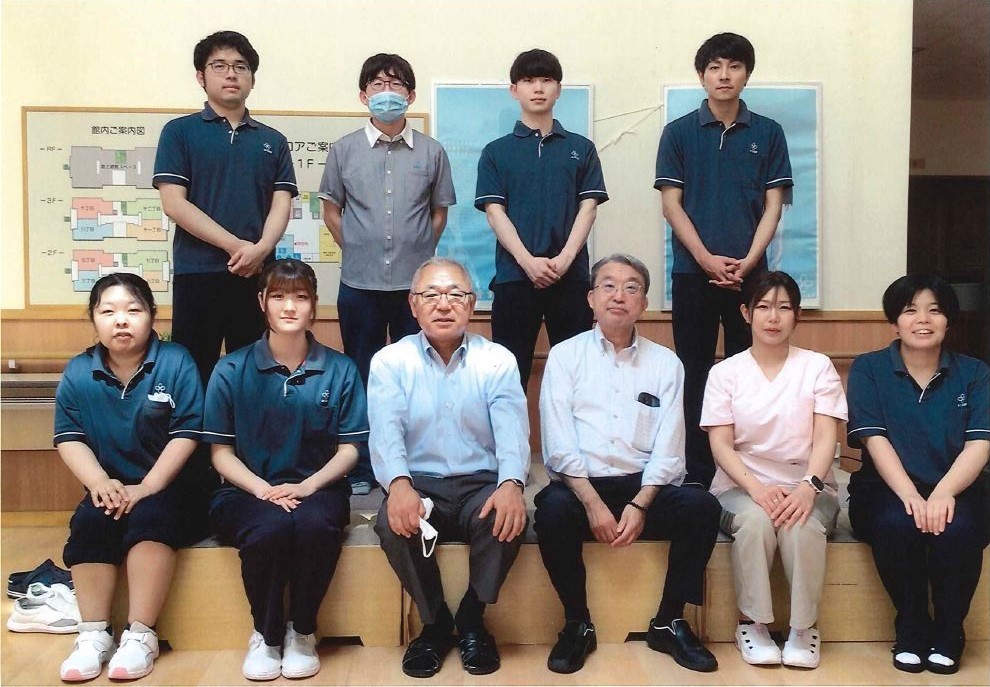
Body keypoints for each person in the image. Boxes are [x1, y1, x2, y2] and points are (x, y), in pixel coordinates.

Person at [535, 254, 721, 674]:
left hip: (643, 487)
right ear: (591, 298)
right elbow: (558, 444)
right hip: (581, 485)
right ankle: (577, 622)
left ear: (644, 302)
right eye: (609, 286)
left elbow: (670, 450)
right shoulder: (564, 356)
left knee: (702, 507)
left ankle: (669, 621)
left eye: (631, 287)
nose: (619, 295)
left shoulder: (666, 363)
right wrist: (592, 503)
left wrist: (640, 503)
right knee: (551, 511)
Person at [203, 259, 368, 681]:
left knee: (314, 526)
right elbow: (220, 453)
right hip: (245, 491)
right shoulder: (231, 369)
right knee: (269, 528)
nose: (289, 306)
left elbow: (349, 449)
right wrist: (263, 490)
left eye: (300, 297)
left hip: (320, 489)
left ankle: (302, 631)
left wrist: (307, 486)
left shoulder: (341, 369)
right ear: (262, 302)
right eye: (278, 296)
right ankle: (266, 634)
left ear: (314, 305)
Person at [368, 257, 530, 678]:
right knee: (391, 523)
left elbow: (512, 430)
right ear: (413, 304)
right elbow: (385, 431)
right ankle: (435, 622)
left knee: (509, 516)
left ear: (472, 304)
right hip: (419, 483)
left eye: (455, 294)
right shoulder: (390, 361)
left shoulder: (496, 359)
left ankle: (473, 616)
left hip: (480, 483)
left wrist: (512, 483)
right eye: (431, 295)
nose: (443, 304)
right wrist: (398, 485)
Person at [655, 32, 793, 488]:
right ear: (702, 75)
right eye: (714, 67)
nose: (724, 75)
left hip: (751, 279)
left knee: (748, 372)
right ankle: (696, 473)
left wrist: (749, 262)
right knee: (693, 373)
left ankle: (744, 471)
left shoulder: (769, 133)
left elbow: (773, 206)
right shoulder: (678, 133)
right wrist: (706, 259)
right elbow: (672, 205)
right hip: (692, 274)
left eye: (733, 66)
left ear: (746, 74)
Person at [54, 273, 204, 682]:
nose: (121, 320)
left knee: (150, 518)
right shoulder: (79, 372)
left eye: (133, 310)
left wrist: (149, 486)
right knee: (90, 521)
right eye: (108, 311)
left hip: (169, 488)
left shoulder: (176, 361)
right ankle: (93, 634)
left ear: (152, 315)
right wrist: (100, 483)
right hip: (110, 487)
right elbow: (69, 438)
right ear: (93, 318)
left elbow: (187, 432)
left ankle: (140, 635)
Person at [319, 52, 456, 495]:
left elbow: (438, 214)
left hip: (415, 290)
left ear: (410, 95)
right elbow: (332, 210)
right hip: (359, 284)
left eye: (395, 84)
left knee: (417, 374)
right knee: (361, 374)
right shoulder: (343, 150)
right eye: (377, 85)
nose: (386, 92)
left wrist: (415, 252)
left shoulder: (432, 152)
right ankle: (361, 466)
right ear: (364, 95)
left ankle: (413, 463)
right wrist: (360, 247)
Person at [701, 271, 847, 669]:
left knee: (800, 524)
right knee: (756, 521)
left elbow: (825, 436)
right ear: (746, 313)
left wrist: (808, 487)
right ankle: (752, 624)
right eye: (763, 306)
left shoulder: (817, 367)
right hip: (740, 487)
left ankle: (803, 628)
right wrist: (757, 489)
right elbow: (721, 444)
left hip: (810, 485)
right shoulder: (725, 373)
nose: (773, 316)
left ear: (797, 315)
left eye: (784, 307)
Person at [847, 273, 989, 675]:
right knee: (897, 524)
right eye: (910, 310)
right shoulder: (869, 368)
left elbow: (980, 443)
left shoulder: (975, 373)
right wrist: (910, 495)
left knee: (959, 530)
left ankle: (949, 631)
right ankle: (911, 626)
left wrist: (944, 492)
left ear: (948, 320)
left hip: (959, 487)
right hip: (886, 488)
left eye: (934, 310)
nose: (923, 319)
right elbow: (874, 439)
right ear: (895, 321)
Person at [154, 30, 298, 386]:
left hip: (258, 275)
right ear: (201, 77)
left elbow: (281, 203)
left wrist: (261, 250)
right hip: (197, 273)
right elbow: (174, 203)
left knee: (255, 376)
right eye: (219, 66)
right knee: (192, 374)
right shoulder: (179, 132)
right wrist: (236, 247)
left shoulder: (273, 140)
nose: (231, 74)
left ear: (252, 79)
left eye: (240, 66)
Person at [475, 48, 609, 389]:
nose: (538, 88)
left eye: (546, 80)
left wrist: (564, 260)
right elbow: (494, 212)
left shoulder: (581, 148)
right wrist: (527, 262)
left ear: (558, 89)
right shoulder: (496, 151)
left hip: (571, 278)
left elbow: (589, 208)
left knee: (576, 377)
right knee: (509, 378)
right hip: (514, 278)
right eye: (528, 80)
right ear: (514, 89)